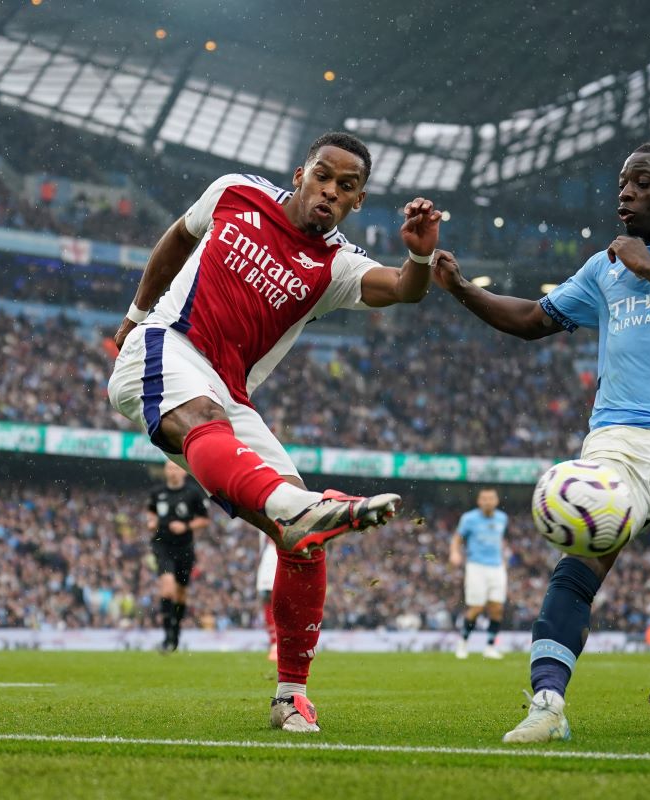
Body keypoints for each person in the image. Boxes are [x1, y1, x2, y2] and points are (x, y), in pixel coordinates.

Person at [432, 127, 650, 739]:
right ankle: (547, 706)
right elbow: (533, 319)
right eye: (622, 185)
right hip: (619, 438)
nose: (625, 195)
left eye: (642, 183)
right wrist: (458, 288)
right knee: (583, 558)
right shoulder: (602, 268)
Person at [107, 131, 442, 733]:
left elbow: (403, 290)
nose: (330, 191)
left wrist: (418, 256)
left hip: (231, 393)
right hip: (167, 346)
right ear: (300, 174)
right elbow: (176, 241)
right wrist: (134, 315)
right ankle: (302, 506)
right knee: (236, 452)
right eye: (323, 176)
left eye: (346, 187)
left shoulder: (337, 266)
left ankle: (290, 696)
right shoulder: (234, 191)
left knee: (301, 541)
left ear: (357, 201)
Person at [147, 461, 210, 653]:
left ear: (183, 472)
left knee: (181, 594)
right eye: (169, 468)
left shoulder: (192, 493)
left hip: (184, 548)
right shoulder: (157, 493)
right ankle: (167, 637)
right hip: (162, 545)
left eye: (176, 468)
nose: (172, 472)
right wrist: (151, 521)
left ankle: (176, 631)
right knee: (167, 590)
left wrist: (186, 526)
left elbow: (204, 520)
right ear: (165, 471)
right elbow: (151, 512)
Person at [450, 487, 509, 660]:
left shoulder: (502, 518)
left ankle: (490, 647)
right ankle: (463, 642)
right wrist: (454, 552)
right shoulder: (469, 518)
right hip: (476, 567)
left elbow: (499, 540)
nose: (488, 501)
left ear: (496, 501)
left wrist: (503, 559)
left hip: (497, 567)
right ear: (479, 501)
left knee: (497, 608)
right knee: (476, 607)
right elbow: (457, 538)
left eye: (491, 498)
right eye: (484, 498)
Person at [256, 536, 278, 662]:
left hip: (279, 554)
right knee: (267, 599)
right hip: (269, 557)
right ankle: (274, 644)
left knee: (280, 601)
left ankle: (278, 644)